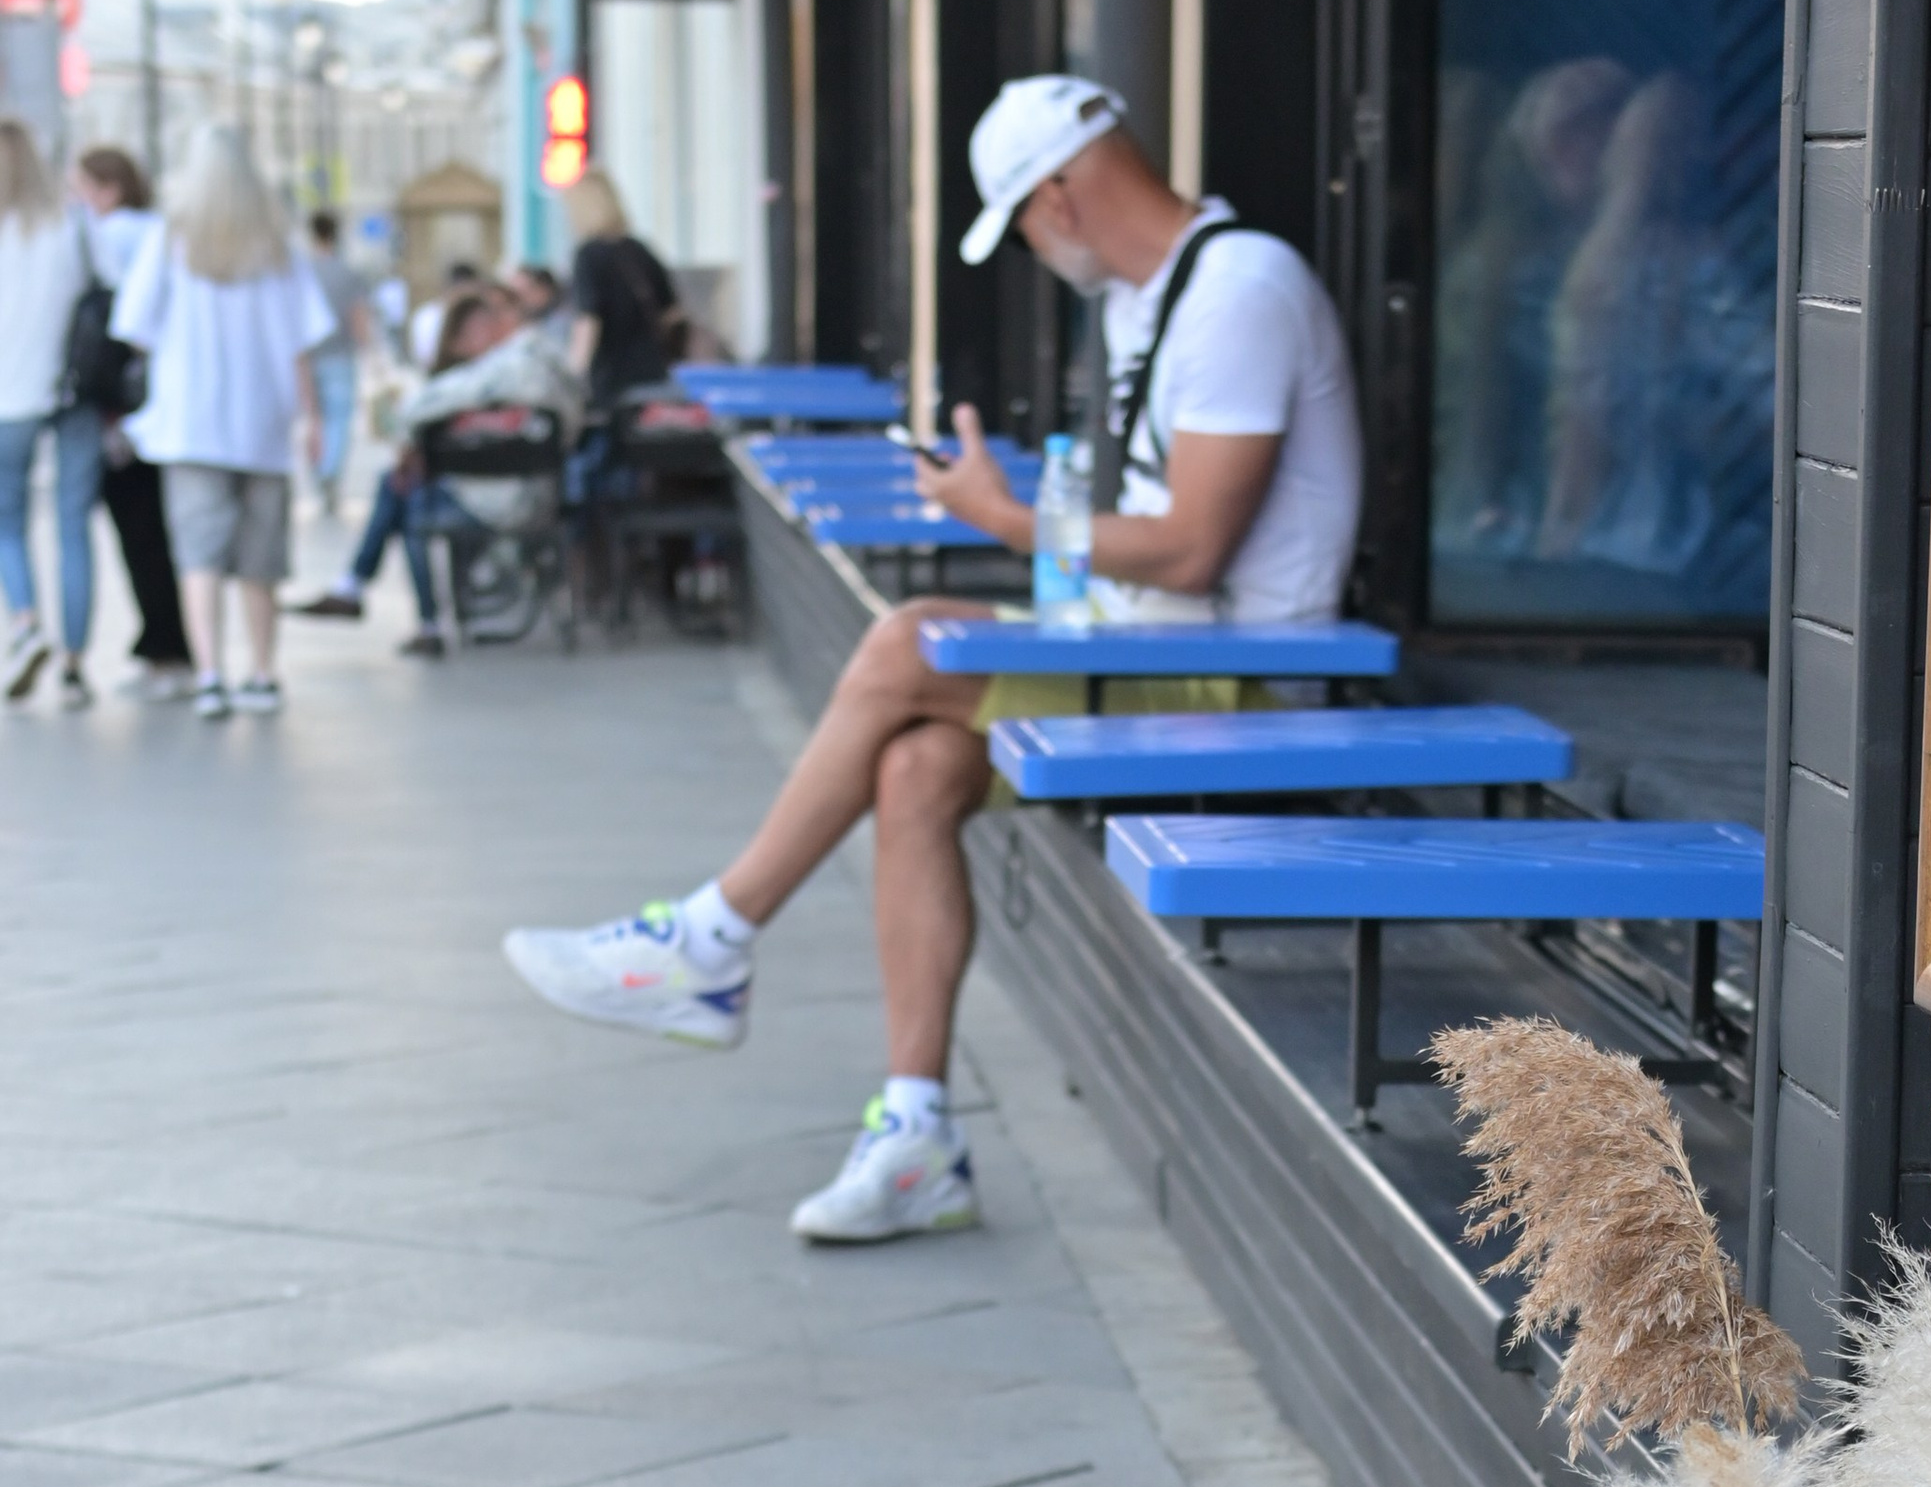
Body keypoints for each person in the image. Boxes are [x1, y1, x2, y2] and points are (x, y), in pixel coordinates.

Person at [502, 75, 1362, 1245]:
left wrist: (1009, 523)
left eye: (1016, 222)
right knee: (911, 772)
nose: (1026, 249)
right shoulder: (1152, 298)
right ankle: (916, 1137)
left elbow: (1196, 543)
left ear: (1057, 195)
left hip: (1250, 680)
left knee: (911, 639)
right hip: (1159, 648)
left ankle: (713, 937)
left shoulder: (1242, 288)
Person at [112, 122, 333, 718]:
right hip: (263, 421)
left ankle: (209, 674)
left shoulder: (172, 237)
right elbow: (300, 340)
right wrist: (312, 417)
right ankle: (262, 672)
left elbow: (134, 326)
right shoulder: (277, 244)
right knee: (261, 557)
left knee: (198, 554)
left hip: (189, 421)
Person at [296, 278, 581, 655]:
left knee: (409, 499)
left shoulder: (516, 365)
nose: (492, 322)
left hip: (508, 499)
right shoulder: (540, 360)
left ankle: (391, 604)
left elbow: (419, 407)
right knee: (402, 488)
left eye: (497, 311)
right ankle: (360, 588)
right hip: (532, 493)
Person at [70, 144, 191, 694]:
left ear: (109, 189)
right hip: (167, 401)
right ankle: (173, 643)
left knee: (140, 531)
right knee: (164, 529)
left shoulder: (111, 236)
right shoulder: (162, 231)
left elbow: (117, 330)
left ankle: (166, 649)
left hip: (125, 404)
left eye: (83, 189)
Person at [0, 118, 101, 709]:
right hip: (73, 393)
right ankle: (73, 665)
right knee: (72, 528)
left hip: (5, 399)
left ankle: (26, 621)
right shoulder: (72, 223)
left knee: (8, 525)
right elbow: (111, 294)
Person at [561, 173, 683, 411]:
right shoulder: (640, 250)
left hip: (613, 380)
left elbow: (588, 321)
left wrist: (573, 375)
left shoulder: (588, 255)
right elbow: (673, 314)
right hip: (654, 372)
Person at [304, 209, 371, 516]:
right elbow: (358, 318)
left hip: (305, 357)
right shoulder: (347, 273)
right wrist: (371, 352)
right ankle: (330, 471)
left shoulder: (302, 272)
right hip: (340, 355)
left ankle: (320, 472)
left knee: (313, 419)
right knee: (340, 421)